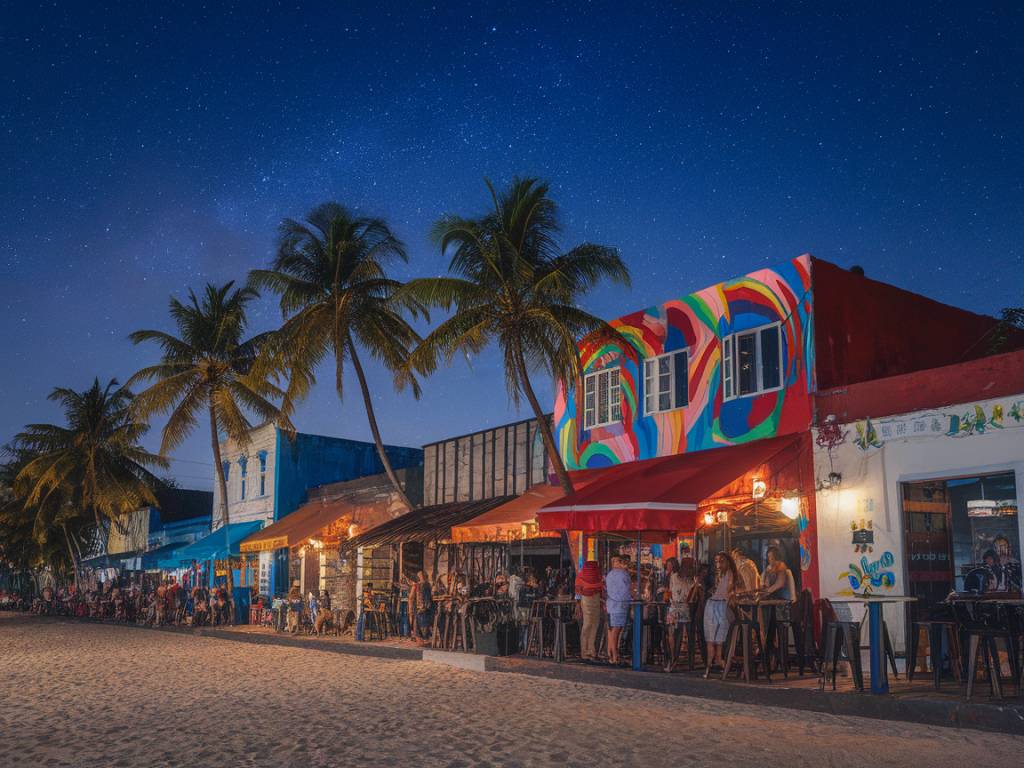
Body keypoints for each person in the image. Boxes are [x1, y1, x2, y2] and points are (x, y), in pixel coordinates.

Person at [703, 551, 737, 676]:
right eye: (716, 561)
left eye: (720, 561)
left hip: (716, 605)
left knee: (714, 639)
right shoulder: (724, 575)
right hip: (717, 605)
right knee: (715, 639)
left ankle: (712, 665)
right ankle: (715, 663)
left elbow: (726, 591)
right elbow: (727, 591)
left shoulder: (725, 574)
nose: (718, 564)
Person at [663, 557, 697, 672]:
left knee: (683, 634)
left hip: (684, 607)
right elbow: (670, 591)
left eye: (689, 567)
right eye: (686, 566)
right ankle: (673, 658)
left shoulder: (691, 581)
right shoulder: (673, 576)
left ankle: (678, 660)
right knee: (672, 633)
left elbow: (690, 597)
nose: (687, 569)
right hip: (674, 606)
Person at [604, 556, 633, 665]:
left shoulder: (610, 574)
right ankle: (615, 656)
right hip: (620, 604)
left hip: (612, 604)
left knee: (613, 630)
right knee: (616, 630)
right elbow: (626, 590)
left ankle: (612, 655)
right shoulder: (623, 574)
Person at [575, 560, 603, 662]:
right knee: (594, 624)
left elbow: (577, 592)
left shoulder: (580, 576)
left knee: (588, 625)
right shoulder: (598, 576)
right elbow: (601, 588)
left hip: (586, 600)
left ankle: (587, 651)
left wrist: (578, 605)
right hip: (596, 600)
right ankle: (590, 650)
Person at [415, 571, 434, 645]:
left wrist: (425, 607)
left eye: (420, 575)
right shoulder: (419, 584)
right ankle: (421, 640)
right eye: (419, 576)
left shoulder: (426, 584)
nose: (419, 577)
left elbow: (427, 597)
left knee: (424, 623)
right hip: (419, 606)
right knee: (419, 623)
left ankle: (426, 639)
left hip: (424, 607)